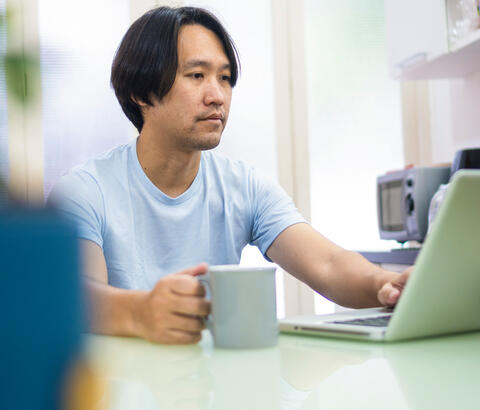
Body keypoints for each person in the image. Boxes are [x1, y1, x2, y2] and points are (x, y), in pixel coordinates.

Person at [49, 6, 410, 345]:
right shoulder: (84, 191)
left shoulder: (245, 186)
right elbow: (74, 296)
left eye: (224, 78)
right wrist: (142, 312)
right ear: (141, 93)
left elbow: (328, 265)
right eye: (196, 76)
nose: (217, 96)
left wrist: (385, 283)